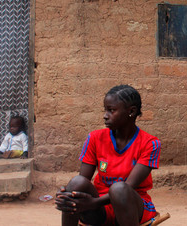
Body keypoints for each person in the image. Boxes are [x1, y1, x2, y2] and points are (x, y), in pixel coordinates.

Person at [55, 85, 161, 226]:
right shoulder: (95, 138)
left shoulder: (150, 143)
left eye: (111, 110)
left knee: (119, 189)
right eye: (105, 110)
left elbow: (129, 187)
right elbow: (83, 179)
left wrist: (93, 203)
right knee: (76, 183)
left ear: (131, 111)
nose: (105, 116)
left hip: (131, 206)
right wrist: (67, 195)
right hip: (100, 208)